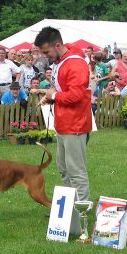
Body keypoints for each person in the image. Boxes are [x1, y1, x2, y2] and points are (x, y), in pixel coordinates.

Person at [36, 26, 92, 202]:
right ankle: (68, 208)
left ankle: (81, 209)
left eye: (46, 52)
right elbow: (65, 91)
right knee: (64, 169)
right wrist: (52, 98)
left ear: (57, 45)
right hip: (64, 124)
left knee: (76, 171)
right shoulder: (63, 61)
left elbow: (76, 95)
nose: (46, 56)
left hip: (75, 124)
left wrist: (54, 95)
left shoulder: (75, 63)